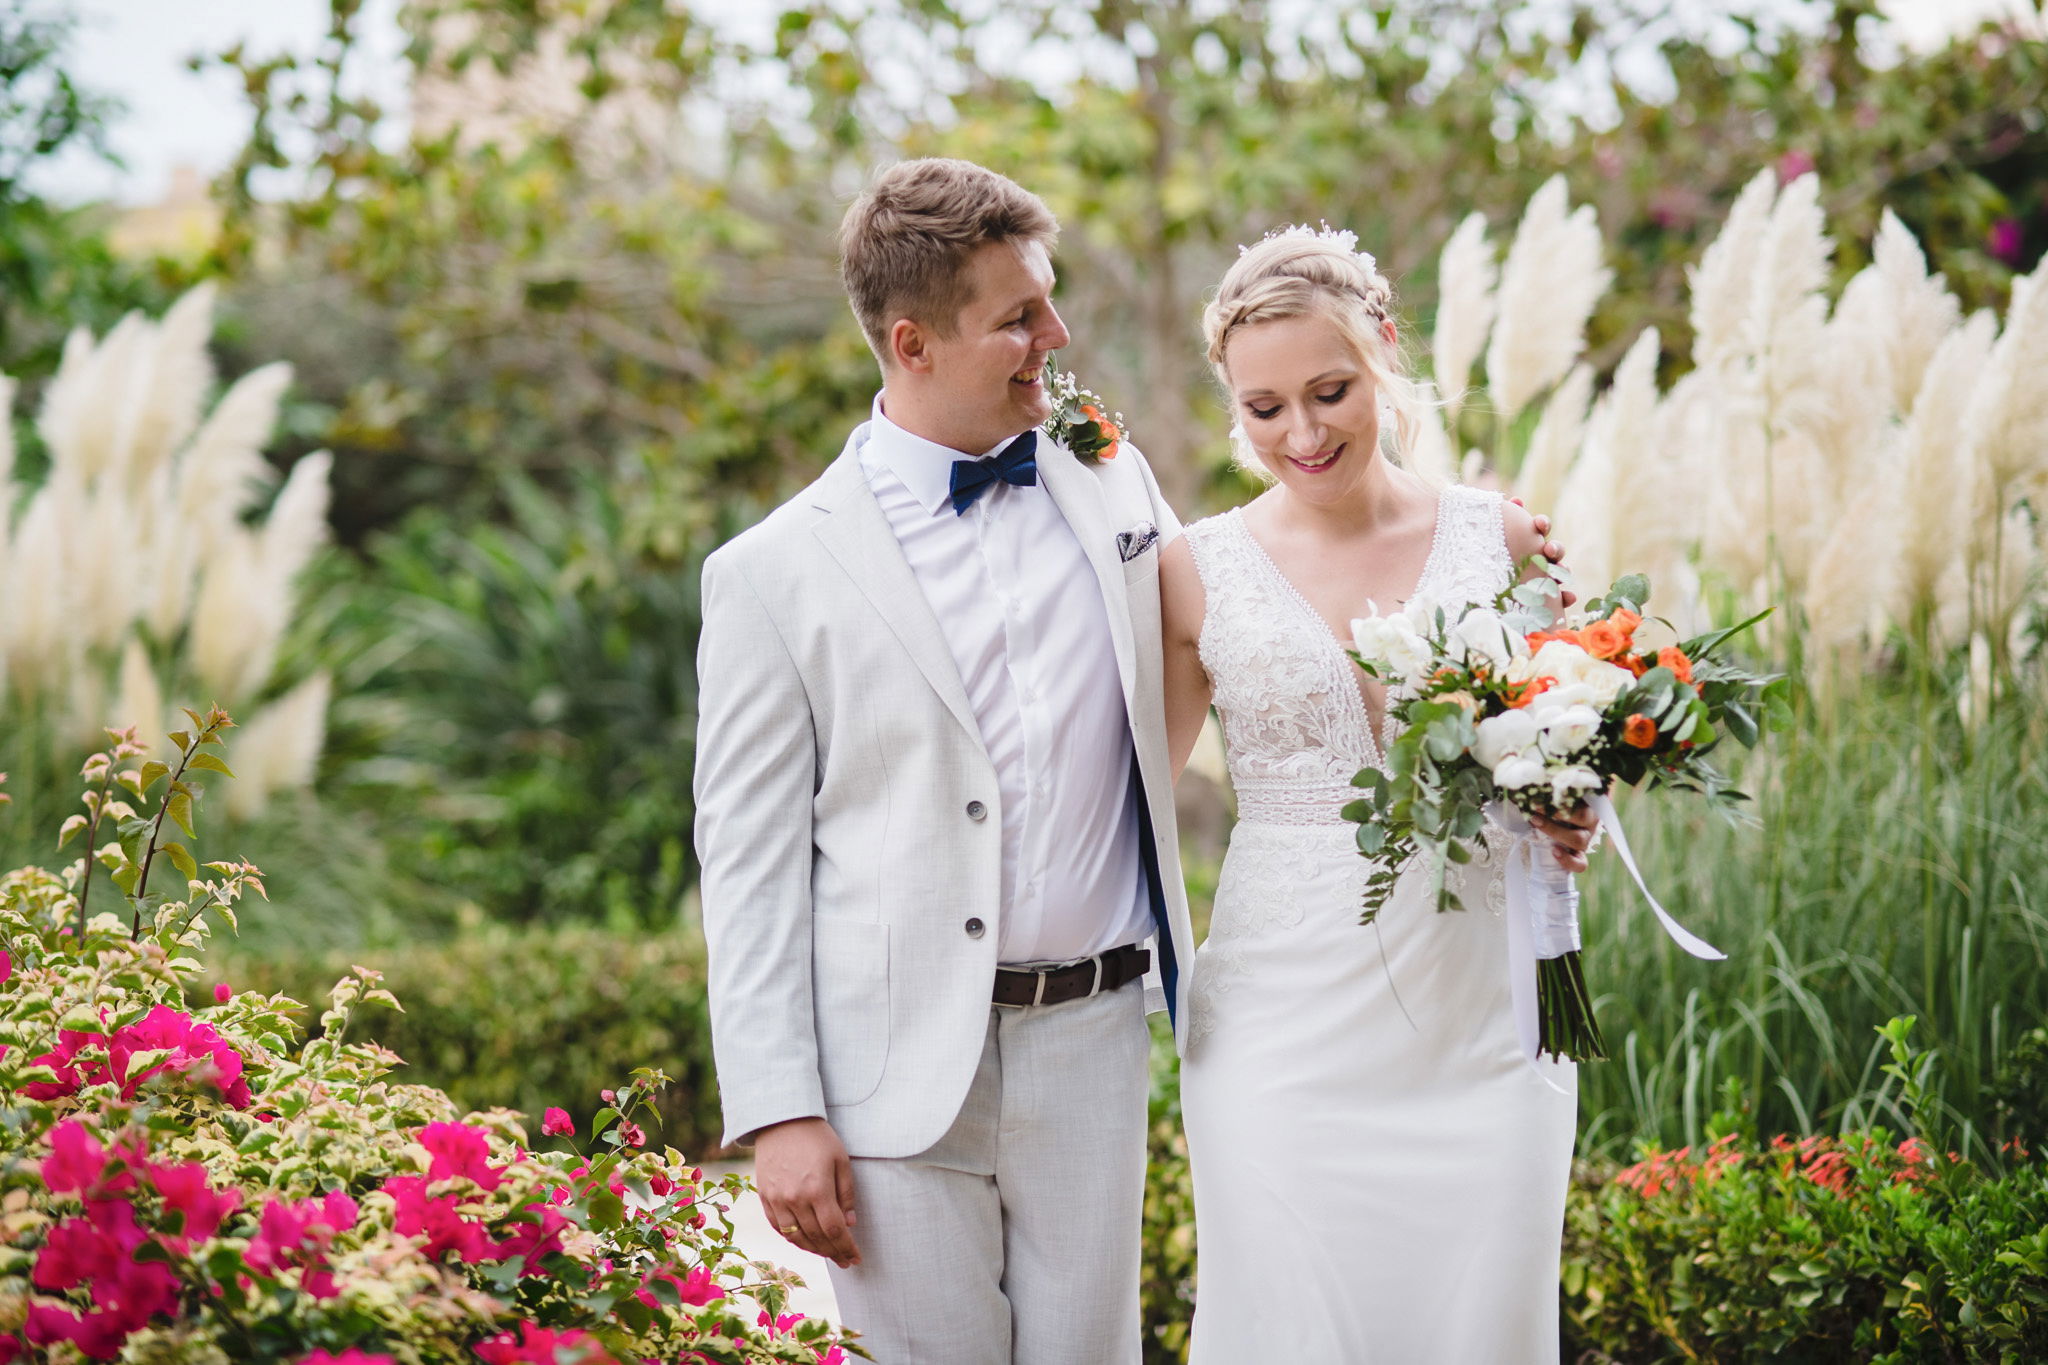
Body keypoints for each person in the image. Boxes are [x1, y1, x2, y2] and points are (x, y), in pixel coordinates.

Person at [692, 157, 1196, 1364]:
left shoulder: (1109, 473)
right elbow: (748, 862)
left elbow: (1225, 630)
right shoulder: (769, 573)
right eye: (1017, 317)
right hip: (890, 1068)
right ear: (911, 343)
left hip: (1094, 1032)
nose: (1054, 335)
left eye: (1049, 299)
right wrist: (779, 1112)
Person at [1159, 226, 1597, 1363]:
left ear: (1383, 354)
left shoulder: (1502, 540)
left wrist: (1575, 808)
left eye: (1329, 391)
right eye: (1262, 409)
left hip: (1481, 1014)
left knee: (1476, 1324)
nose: (1300, 435)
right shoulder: (1187, 570)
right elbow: (1136, 792)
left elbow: (1575, 737)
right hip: (1277, 1021)